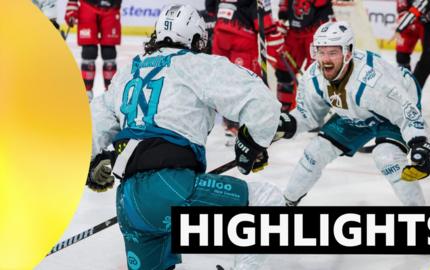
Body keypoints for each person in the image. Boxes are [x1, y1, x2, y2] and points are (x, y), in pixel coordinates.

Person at [86, 4, 283, 270]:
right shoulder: (196, 64)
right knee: (266, 200)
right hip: (172, 190)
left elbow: (92, 124)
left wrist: (94, 163)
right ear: (196, 38)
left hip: (129, 203)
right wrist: (252, 143)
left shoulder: (127, 73)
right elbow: (262, 103)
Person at [275, 21, 430, 207]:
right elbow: (308, 115)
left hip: (390, 114)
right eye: (321, 51)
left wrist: (420, 144)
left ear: (348, 53)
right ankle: (286, 203)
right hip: (355, 114)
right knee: (315, 152)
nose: (325, 59)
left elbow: (406, 112)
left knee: (387, 157)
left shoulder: (375, 83)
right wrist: (288, 123)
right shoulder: (313, 77)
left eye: (333, 52)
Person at [206, 0, 284, 145]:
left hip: (220, 32)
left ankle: (231, 125)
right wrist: (275, 41)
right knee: (248, 82)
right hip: (241, 37)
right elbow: (263, 22)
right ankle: (253, 126)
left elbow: (209, 7)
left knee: (225, 81)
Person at [275, 0, 335, 112]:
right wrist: (282, 17)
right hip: (294, 32)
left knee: (316, 73)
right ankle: (284, 109)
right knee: (284, 70)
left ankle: (316, 110)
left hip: (315, 31)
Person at [64, 0, 122, 101]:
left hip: (111, 8)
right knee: (89, 52)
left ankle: (111, 92)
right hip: (87, 7)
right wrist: (71, 10)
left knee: (109, 53)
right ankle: (86, 93)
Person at [395, 0, 430, 104]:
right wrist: (399, 29)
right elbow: (413, 12)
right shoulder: (421, 5)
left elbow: (414, 11)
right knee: (426, 60)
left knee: (429, 60)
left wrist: (399, 29)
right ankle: (411, 91)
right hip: (428, 25)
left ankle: (413, 92)